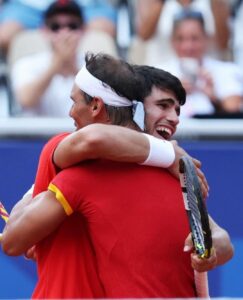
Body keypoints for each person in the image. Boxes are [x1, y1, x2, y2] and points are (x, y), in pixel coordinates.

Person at [2, 54, 233, 297]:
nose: (174, 118)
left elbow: (12, 241)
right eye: (163, 105)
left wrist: (209, 248)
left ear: (96, 106)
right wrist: (170, 153)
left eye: (74, 101)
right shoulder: (176, 169)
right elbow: (93, 140)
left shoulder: (80, 174)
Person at [158, 9, 243, 118]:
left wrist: (213, 97)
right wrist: (173, 94)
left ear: (206, 39)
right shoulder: (159, 74)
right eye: (180, 39)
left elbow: (234, 113)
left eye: (195, 38)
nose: (188, 46)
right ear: (172, 41)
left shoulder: (226, 71)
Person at [132, 0, 231, 65]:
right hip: (163, 75)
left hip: (206, 79)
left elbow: (224, 44)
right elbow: (144, 35)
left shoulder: (216, 2)